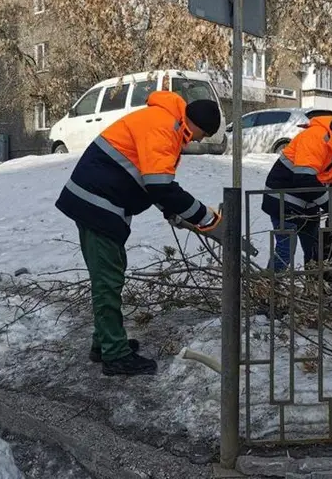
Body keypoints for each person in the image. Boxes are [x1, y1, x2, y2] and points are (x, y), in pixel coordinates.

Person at [55, 90, 224, 376]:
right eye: (203, 135)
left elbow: (150, 179)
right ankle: (115, 355)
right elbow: (160, 186)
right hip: (95, 204)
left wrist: (171, 209)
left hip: (98, 202)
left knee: (111, 275)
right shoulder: (164, 128)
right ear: (196, 125)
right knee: (107, 280)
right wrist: (209, 220)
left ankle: (105, 342)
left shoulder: (163, 121)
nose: (199, 141)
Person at [261, 114, 332, 272]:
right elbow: (304, 179)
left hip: (308, 203)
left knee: (315, 252)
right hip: (282, 201)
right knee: (285, 251)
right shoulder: (317, 137)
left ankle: (313, 290)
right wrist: (331, 207)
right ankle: (268, 288)